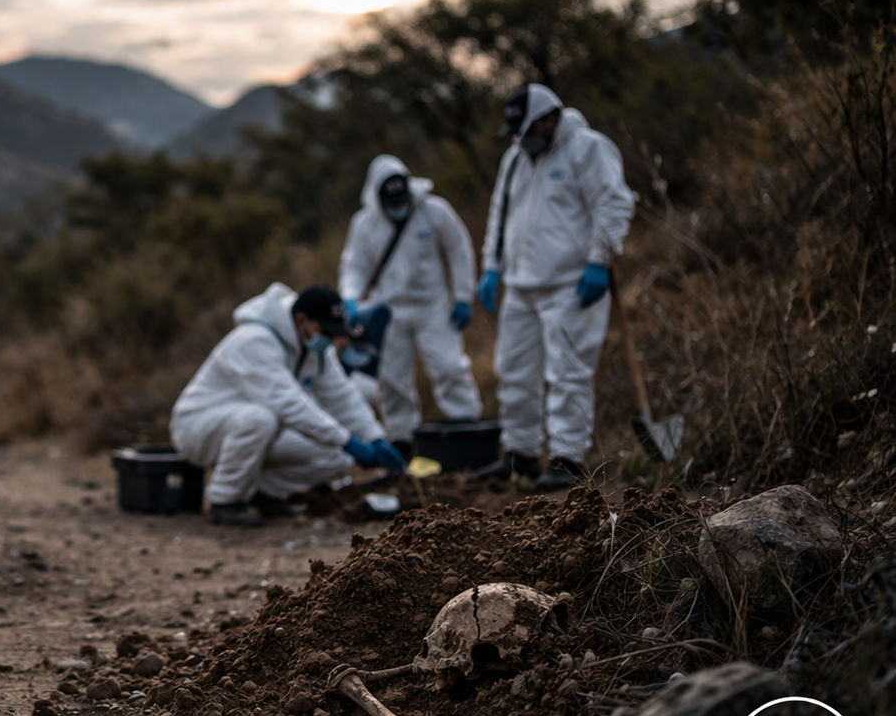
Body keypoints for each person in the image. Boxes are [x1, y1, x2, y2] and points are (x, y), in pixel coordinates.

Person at [476, 83, 634, 490]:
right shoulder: (515, 158)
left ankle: (566, 458)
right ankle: (521, 452)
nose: (520, 139)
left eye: (527, 130)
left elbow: (613, 203)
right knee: (513, 370)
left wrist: (600, 260)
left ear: (549, 119)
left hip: (570, 284)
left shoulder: (587, 148)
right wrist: (490, 267)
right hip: (520, 284)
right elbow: (500, 213)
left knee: (567, 371)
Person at [170, 282, 404, 527]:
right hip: (198, 427)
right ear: (302, 320)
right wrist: (348, 440)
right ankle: (225, 500)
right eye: (326, 331)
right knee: (260, 419)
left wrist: (375, 437)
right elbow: (291, 404)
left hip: (259, 428)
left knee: (336, 459)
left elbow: (341, 396)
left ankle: (262, 492)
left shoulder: (315, 349)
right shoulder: (254, 341)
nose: (331, 339)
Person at [338, 154, 482, 460]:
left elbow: (459, 252)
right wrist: (349, 296)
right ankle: (401, 439)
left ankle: (466, 426)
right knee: (391, 380)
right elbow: (355, 265)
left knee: (449, 367)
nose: (398, 205)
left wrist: (462, 296)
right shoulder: (365, 224)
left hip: (433, 305)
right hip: (387, 310)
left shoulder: (434, 211)